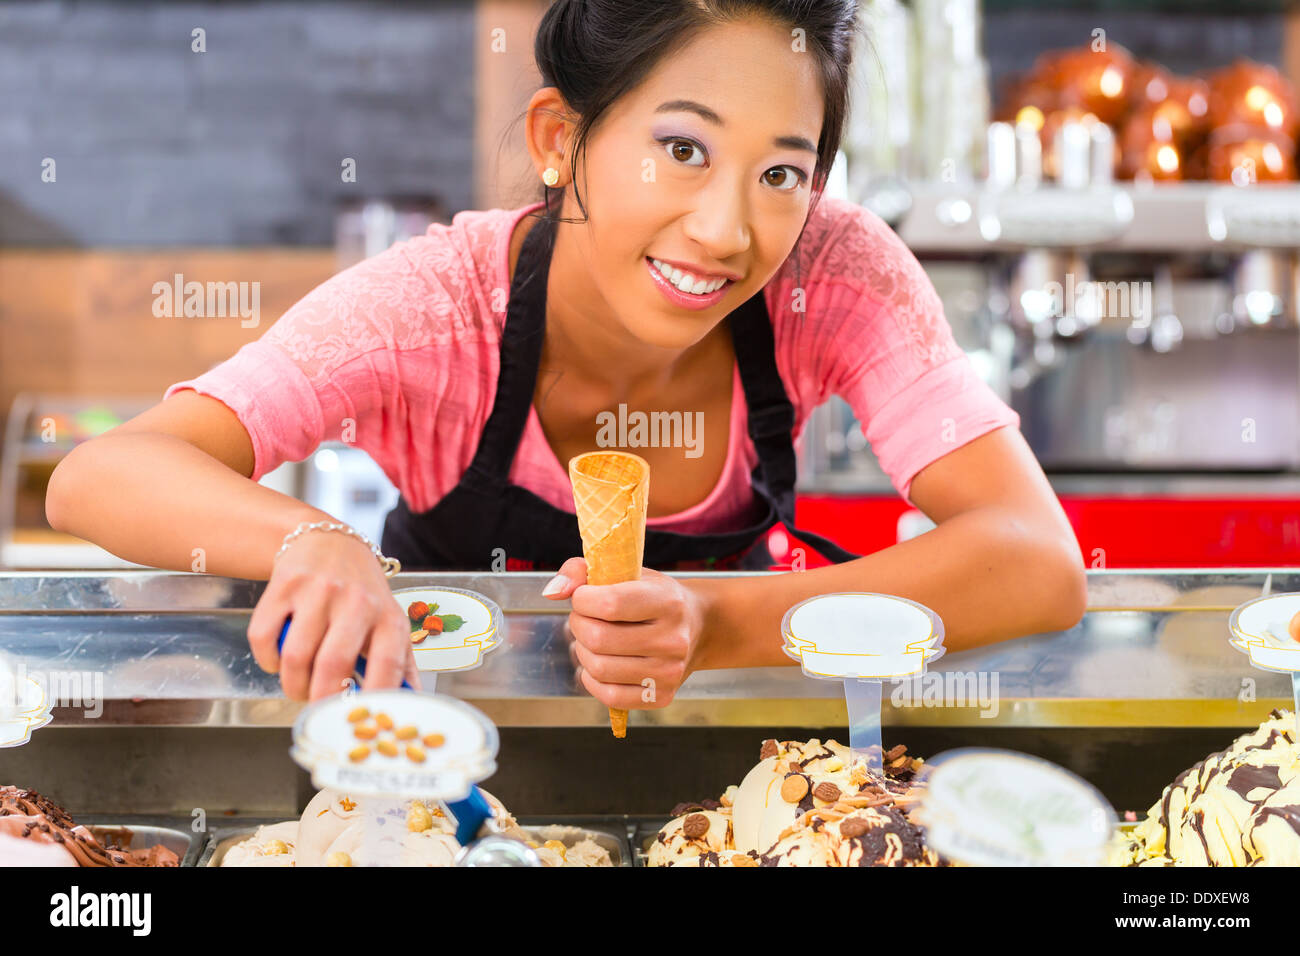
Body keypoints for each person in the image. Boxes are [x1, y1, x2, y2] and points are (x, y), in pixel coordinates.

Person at [46, 0, 1087, 707]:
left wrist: (716, 621)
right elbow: (104, 473)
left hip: (742, 752)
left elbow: (1037, 562)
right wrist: (312, 540)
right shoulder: (434, 306)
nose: (729, 229)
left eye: (783, 170)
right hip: (451, 758)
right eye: (681, 149)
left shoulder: (834, 270)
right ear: (559, 139)